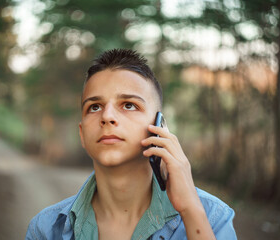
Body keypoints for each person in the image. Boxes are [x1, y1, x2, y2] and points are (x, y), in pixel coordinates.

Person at [25, 49, 237, 240]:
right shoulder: (45, 230)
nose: (107, 116)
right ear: (82, 134)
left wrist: (191, 209)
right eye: (95, 107)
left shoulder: (211, 216)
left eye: (128, 105)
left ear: (159, 126)